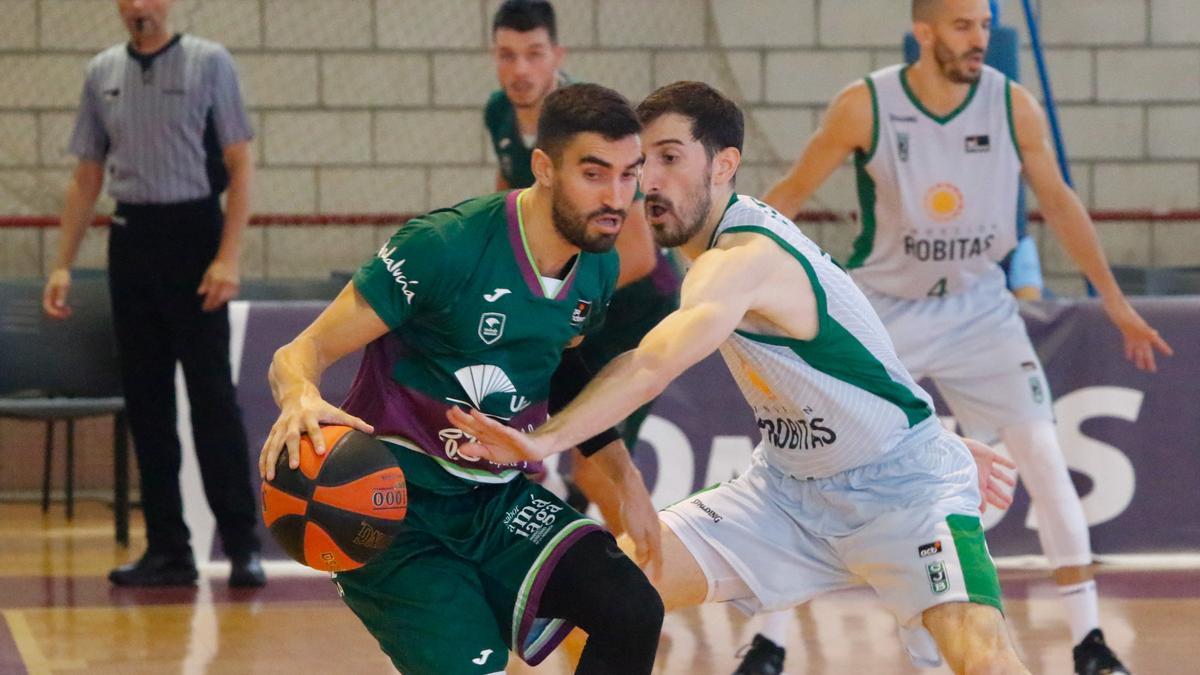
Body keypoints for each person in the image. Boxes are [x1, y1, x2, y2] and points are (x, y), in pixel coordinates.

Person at [448, 80, 1030, 675]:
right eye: (644, 162)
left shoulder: (745, 256)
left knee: (982, 656)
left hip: (903, 493)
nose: (649, 181)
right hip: (786, 494)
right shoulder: (706, 248)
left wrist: (545, 439)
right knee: (598, 596)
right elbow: (861, 354)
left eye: (670, 158)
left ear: (725, 165)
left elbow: (652, 363)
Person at [760, 1, 1172, 673]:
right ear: (924, 32)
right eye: (961, 26)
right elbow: (792, 192)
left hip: (980, 305)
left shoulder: (1013, 106)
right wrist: (733, 262)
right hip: (885, 307)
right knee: (811, 456)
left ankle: (1090, 642)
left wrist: (1117, 302)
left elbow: (1062, 203)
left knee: (1041, 452)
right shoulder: (865, 104)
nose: (977, 39)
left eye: (983, 26)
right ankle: (768, 642)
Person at [259, 84, 663, 675]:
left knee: (630, 609)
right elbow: (304, 349)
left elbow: (564, 370)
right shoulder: (443, 246)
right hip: (394, 507)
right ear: (544, 168)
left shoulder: (598, 263)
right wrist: (299, 396)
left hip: (496, 499)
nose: (616, 197)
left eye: (630, 175)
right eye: (595, 174)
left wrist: (623, 477)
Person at [42, 0, 264, 588]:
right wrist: (62, 264)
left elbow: (241, 164)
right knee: (147, 403)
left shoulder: (209, 62)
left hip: (195, 239)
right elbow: (87, 174)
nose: (140, 6)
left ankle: (242, 544)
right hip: (130, 240)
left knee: (213, 397)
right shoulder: (101, 72)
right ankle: (168, 548)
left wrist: (228, 256)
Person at [486, 0, 680, 532]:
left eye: (533, 55)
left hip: (638, 310)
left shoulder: (596, 130)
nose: (520, 70)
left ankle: (641, 588)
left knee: (598, 466)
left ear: (557, 57)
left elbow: (638, 257)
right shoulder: (499, 113)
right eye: (507, 55)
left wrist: (550, 296)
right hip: (580, 307)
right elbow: (512, 191)